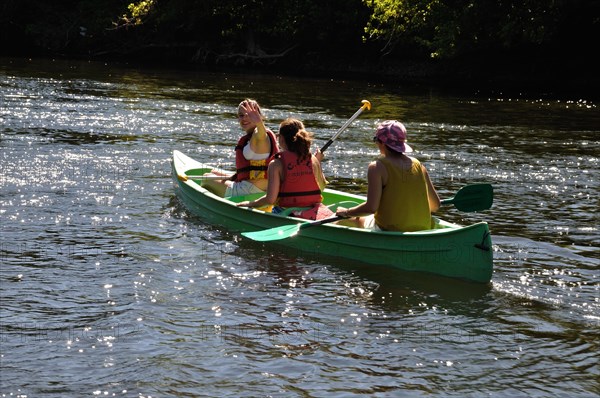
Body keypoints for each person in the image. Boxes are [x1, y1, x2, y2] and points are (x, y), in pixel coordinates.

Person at [335, 120, 441, 231]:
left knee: (340, 219)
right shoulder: (419, 166)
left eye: (376, 140)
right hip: (423, 228)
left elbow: (371, 208)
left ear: (383, 143)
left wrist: (346, 212)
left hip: (389, 229)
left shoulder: (377, 167)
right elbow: (435, 206)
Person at [237, 118, 332, 220]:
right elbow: (320, 188)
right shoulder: (313, 160)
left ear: (281, 139)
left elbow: (270, 199)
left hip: (287, 212)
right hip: (312, 211)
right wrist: (317, 162)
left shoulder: (276, 164)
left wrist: (251, 204)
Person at [202, 99, 279, 197]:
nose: (244, 118)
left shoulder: (259, 136)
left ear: (258, 116)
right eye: (241, 115)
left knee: (206, 178)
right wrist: (232, 177)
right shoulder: (250, 137)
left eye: (249, 115)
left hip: (250, 190)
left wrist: (259, 123)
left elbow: (261, 134)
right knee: (214, 172)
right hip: (256, 188)